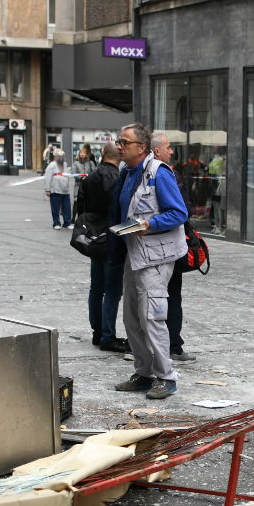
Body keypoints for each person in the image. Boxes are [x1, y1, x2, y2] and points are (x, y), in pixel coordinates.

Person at [111, 124, 189, 400]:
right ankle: (144, 373)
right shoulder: (127, 172)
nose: (119, 145)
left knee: (153, 317)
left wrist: (149, 223)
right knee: (132, 317)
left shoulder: (159, 172)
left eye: (124, 142)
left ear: (141, 148)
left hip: (155, 257)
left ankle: (166, 377)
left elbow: (178, 213)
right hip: (134, 254)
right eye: (119, 141)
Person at [150, 133, 197, 364]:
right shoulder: (165, 173)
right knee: (169, 297)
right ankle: (172, 347)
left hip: (145, 248)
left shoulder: (136, 172)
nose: (172, 152)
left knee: (150, 299)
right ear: (157, 151)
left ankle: (154, 346)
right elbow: (182, 211)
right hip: (166, 247)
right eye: (168, 147)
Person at [75, 143, 126, 351]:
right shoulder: (119, 178)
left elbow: (81, 206)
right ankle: (107, 335)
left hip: (94, 236)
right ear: (120, 156)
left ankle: (98, 331)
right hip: (113, 237)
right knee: (112, 289)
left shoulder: (91, 177)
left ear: (102, 154)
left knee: (96, 287)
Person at [44, 148, 74, 229]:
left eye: (62, 156)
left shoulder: (64, 164)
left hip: (65, 190)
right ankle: (56, 223)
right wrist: (48, 189)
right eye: (59, 156)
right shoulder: (51, 166)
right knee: (55, 208)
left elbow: (66, 175)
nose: (61, 158)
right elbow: (48, 178)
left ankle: (67, 223)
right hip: (55, 190)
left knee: (67, 207)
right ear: (55, 157)